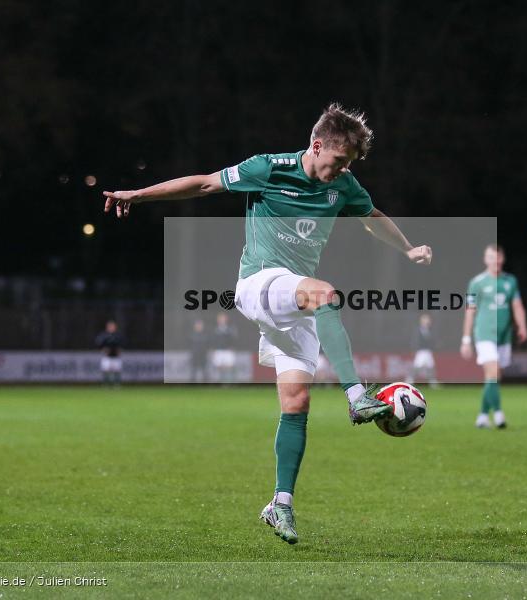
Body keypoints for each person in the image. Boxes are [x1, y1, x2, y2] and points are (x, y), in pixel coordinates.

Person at [103, 103, 432, 544]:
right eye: (338, 161)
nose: (341, 171)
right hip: (259, 283)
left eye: (348, 165)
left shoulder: (345, 186)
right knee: (326, 293)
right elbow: (203, 184)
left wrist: (407, 249)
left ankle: (280, 504)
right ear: (316, 146)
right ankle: (357, 395)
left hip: (292, 306)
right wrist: (137, 195)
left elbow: (371, 218)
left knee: (296, 404)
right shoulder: (268, 168)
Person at [460, 244, 527, 429]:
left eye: (497, 257)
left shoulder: (510, 281)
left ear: (502, 259)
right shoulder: (477, 282)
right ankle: (498, 415)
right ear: (485, 259)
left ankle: (482, 416)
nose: (495, 261)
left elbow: (517, 305)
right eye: (491, 257)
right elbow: (470, 311)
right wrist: (466, 339)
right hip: (484, 333)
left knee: (495, 376)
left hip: (504, 335)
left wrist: (522, 325)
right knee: (493, 371)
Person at [408, 314, 439, 388]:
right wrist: (414, 349)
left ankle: (433, 382)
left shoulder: (430, 330)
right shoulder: (418, 330)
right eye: (426, 320)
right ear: (422, 321)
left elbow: (432, 341)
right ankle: (409, 380)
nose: (428, 321)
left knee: (431, 366)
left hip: (428, 351)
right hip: (420, 351)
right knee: (417, 366)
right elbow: (414, 340)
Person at [211, 312, 238, 383]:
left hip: (228, 351)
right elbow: (213, 341)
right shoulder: (215, 329)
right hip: (218, 351)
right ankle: (219, 382)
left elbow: (233, 340)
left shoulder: (230, 329)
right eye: (220, 318)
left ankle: (229, 383)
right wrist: (213, 350)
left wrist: (232, 347)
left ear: (226, 319)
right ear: (218, 320)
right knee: (218, 367)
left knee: (229, 367)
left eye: (223, 318)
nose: (222, 320)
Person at [95, 320, 124, 386]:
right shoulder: (104, 335)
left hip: (116, 356)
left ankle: (117, 384)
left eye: (113, 326)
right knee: (106, 370)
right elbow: (98, 343)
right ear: (107, 327)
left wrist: (120, 349)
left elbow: (123, 343)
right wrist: (103, 349)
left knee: (117, 370)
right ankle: (106, 384)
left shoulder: (118, 335)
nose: (111, 327)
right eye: (110, 326)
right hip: (107, 356)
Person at [188, 319, 209, 383]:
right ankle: (192, 385)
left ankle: (206, 384)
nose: (199, 326)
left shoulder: (206, 335)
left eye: (200, 325)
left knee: (204, 372)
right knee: (193, 371)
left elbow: (208, 345)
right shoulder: (191, 335)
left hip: (203, 356)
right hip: (195, 356)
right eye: (197, 325)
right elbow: (189, 345)